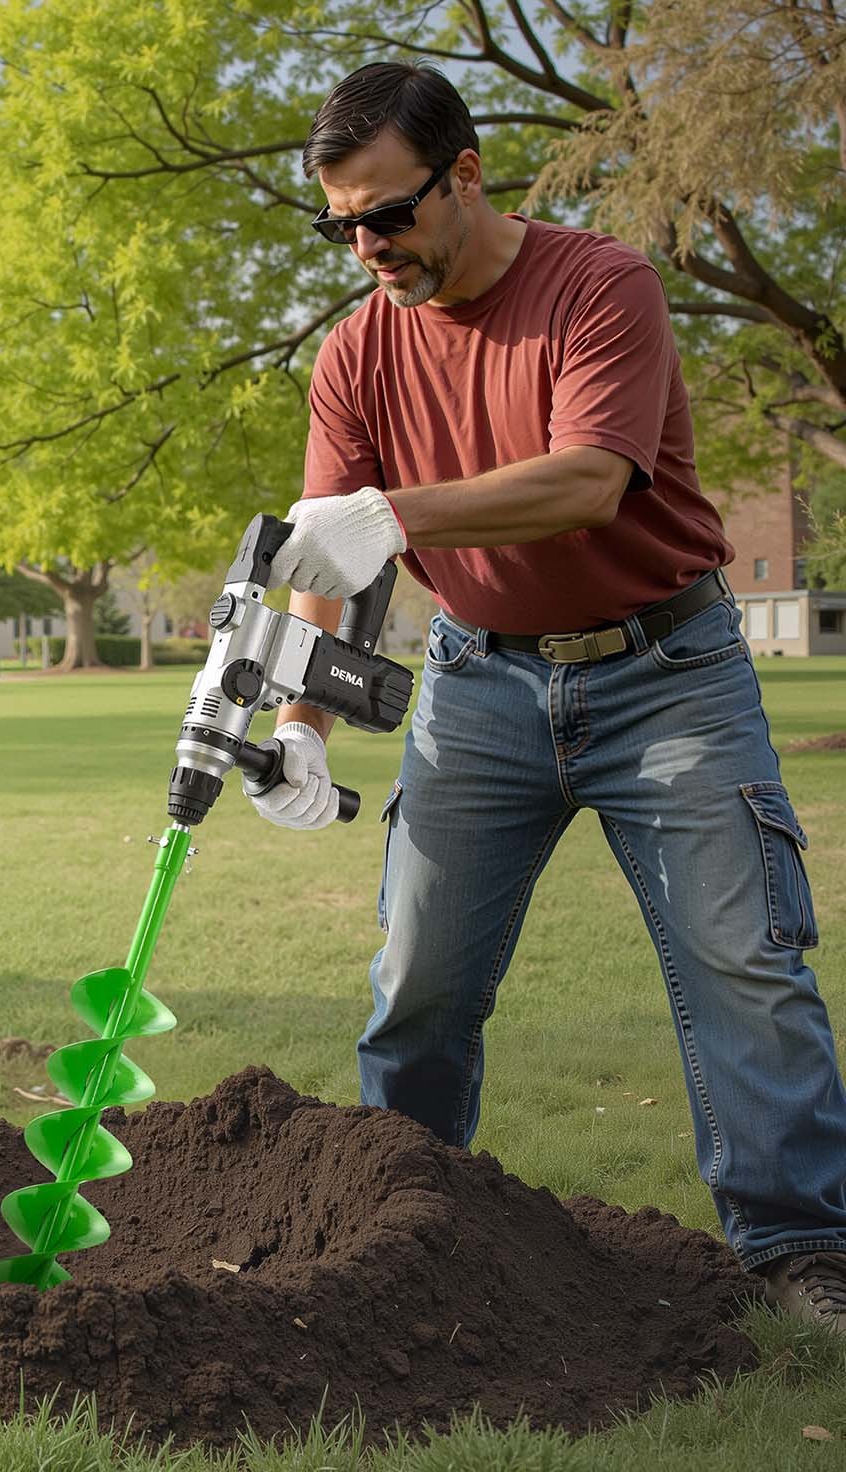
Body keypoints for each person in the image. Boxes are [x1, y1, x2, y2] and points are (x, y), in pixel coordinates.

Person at [248, 62, 846, 1337]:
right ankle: (398, 1229)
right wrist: (298, 717)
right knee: (416, 977)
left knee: (743, 960)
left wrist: (388, 513)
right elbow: (330, 560)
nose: (367, 249)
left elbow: (584, 482)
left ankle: (799, 1252)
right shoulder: (354, 354)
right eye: (339, 224)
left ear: (465, 176)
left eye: (389, 215)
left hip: (666, 674)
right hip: (476, 686)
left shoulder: (598, 286)